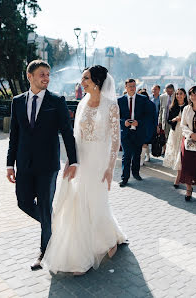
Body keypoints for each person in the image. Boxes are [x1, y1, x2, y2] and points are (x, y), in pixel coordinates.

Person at [44, 65, 126, 275]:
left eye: (86, 78)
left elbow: (116, 141)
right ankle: (79, 253)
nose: (82, 82)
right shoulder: (81, 104)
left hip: (99, 164)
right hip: (82, 160)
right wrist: (71, 163)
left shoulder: (111, 107)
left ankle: (106, 239)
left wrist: (109, 169)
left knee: (97, 203)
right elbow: (75, 137)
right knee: (78, 202)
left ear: (97, 82)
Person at [6, 60, 77, 270]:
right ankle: (53, 225)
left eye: (48, 74)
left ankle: (44, 252)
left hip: (48, 165)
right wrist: (10, 164)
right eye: (42, 74)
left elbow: (67, 133)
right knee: (23, 202)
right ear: (30, 76)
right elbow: (14, 135)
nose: (46, 78)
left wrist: (74, 161)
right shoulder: (17, 101)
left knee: (45, 206)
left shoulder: (57, 101)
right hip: (24, 164)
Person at [118, 79, 149, 187]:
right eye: (130, 86)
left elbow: (147, 116)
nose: (132, 88)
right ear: (125, 87)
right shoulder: (120, 100)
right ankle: (124, 178)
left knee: (137, 155)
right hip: (126, 132)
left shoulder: (143, 99)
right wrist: (123, 122)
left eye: (134, 86)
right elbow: (115, 117)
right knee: (126, 156)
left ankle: (136, 173)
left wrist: (138, 122)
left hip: (138, 132)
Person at [163, 88, 188, 188]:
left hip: (185, 133)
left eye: (181, 94)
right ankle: (180, 175)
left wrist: (182, 119)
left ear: (185, 95)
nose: (179, 96)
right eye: (177, 94)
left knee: (182, 154)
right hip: (175, 132)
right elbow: (168, 121)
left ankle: (178, 177)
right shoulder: (172, 107)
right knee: (177, 153)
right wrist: (174, 119)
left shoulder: (188, 107)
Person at [138, 89, 157, 165]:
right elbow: (155, 116)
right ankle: (148, 156)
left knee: (144, 143)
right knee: (146, 142)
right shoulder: (151, 104)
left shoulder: (140, 104)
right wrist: (156, 126)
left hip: (142, 126)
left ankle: (141, 161)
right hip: (150, 126)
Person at [158, 84, 175, 154]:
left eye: (170, 91)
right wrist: (159, 121)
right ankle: (165, 149)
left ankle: (171, 150)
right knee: (165, 136)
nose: (169, 93)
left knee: (172, 136)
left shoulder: (176, 95)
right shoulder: (162, 97)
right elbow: (161, 110)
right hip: (164, 120)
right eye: (167, 91)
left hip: (173, 120)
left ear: (173, 90)